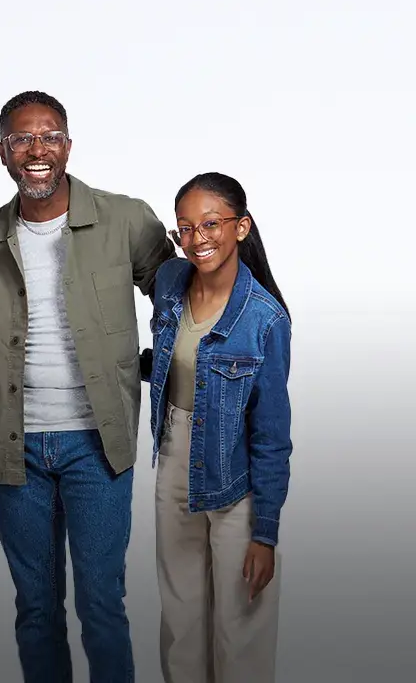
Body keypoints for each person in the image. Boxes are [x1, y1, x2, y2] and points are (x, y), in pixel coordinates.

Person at [0, 91, 176, 682]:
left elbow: (180, 294)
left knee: (102, 605)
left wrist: (150, 363)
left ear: (68, 145)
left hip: (97, 441)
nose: (38, 150)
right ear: (3, 152)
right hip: (16, 444)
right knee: (35, 609)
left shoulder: (125, 217)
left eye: (49, 136)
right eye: (23, 139)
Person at [146, 173, 292, 683]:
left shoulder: (265, 319)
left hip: (237, 477)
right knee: (180, 621)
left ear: (241, 227)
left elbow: (273, 435)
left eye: (211, 224)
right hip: (172, 459)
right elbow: (173, 359)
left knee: (240, 629)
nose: (197, 239)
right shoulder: (169, 282)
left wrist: (266, 533)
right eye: (185, 228)